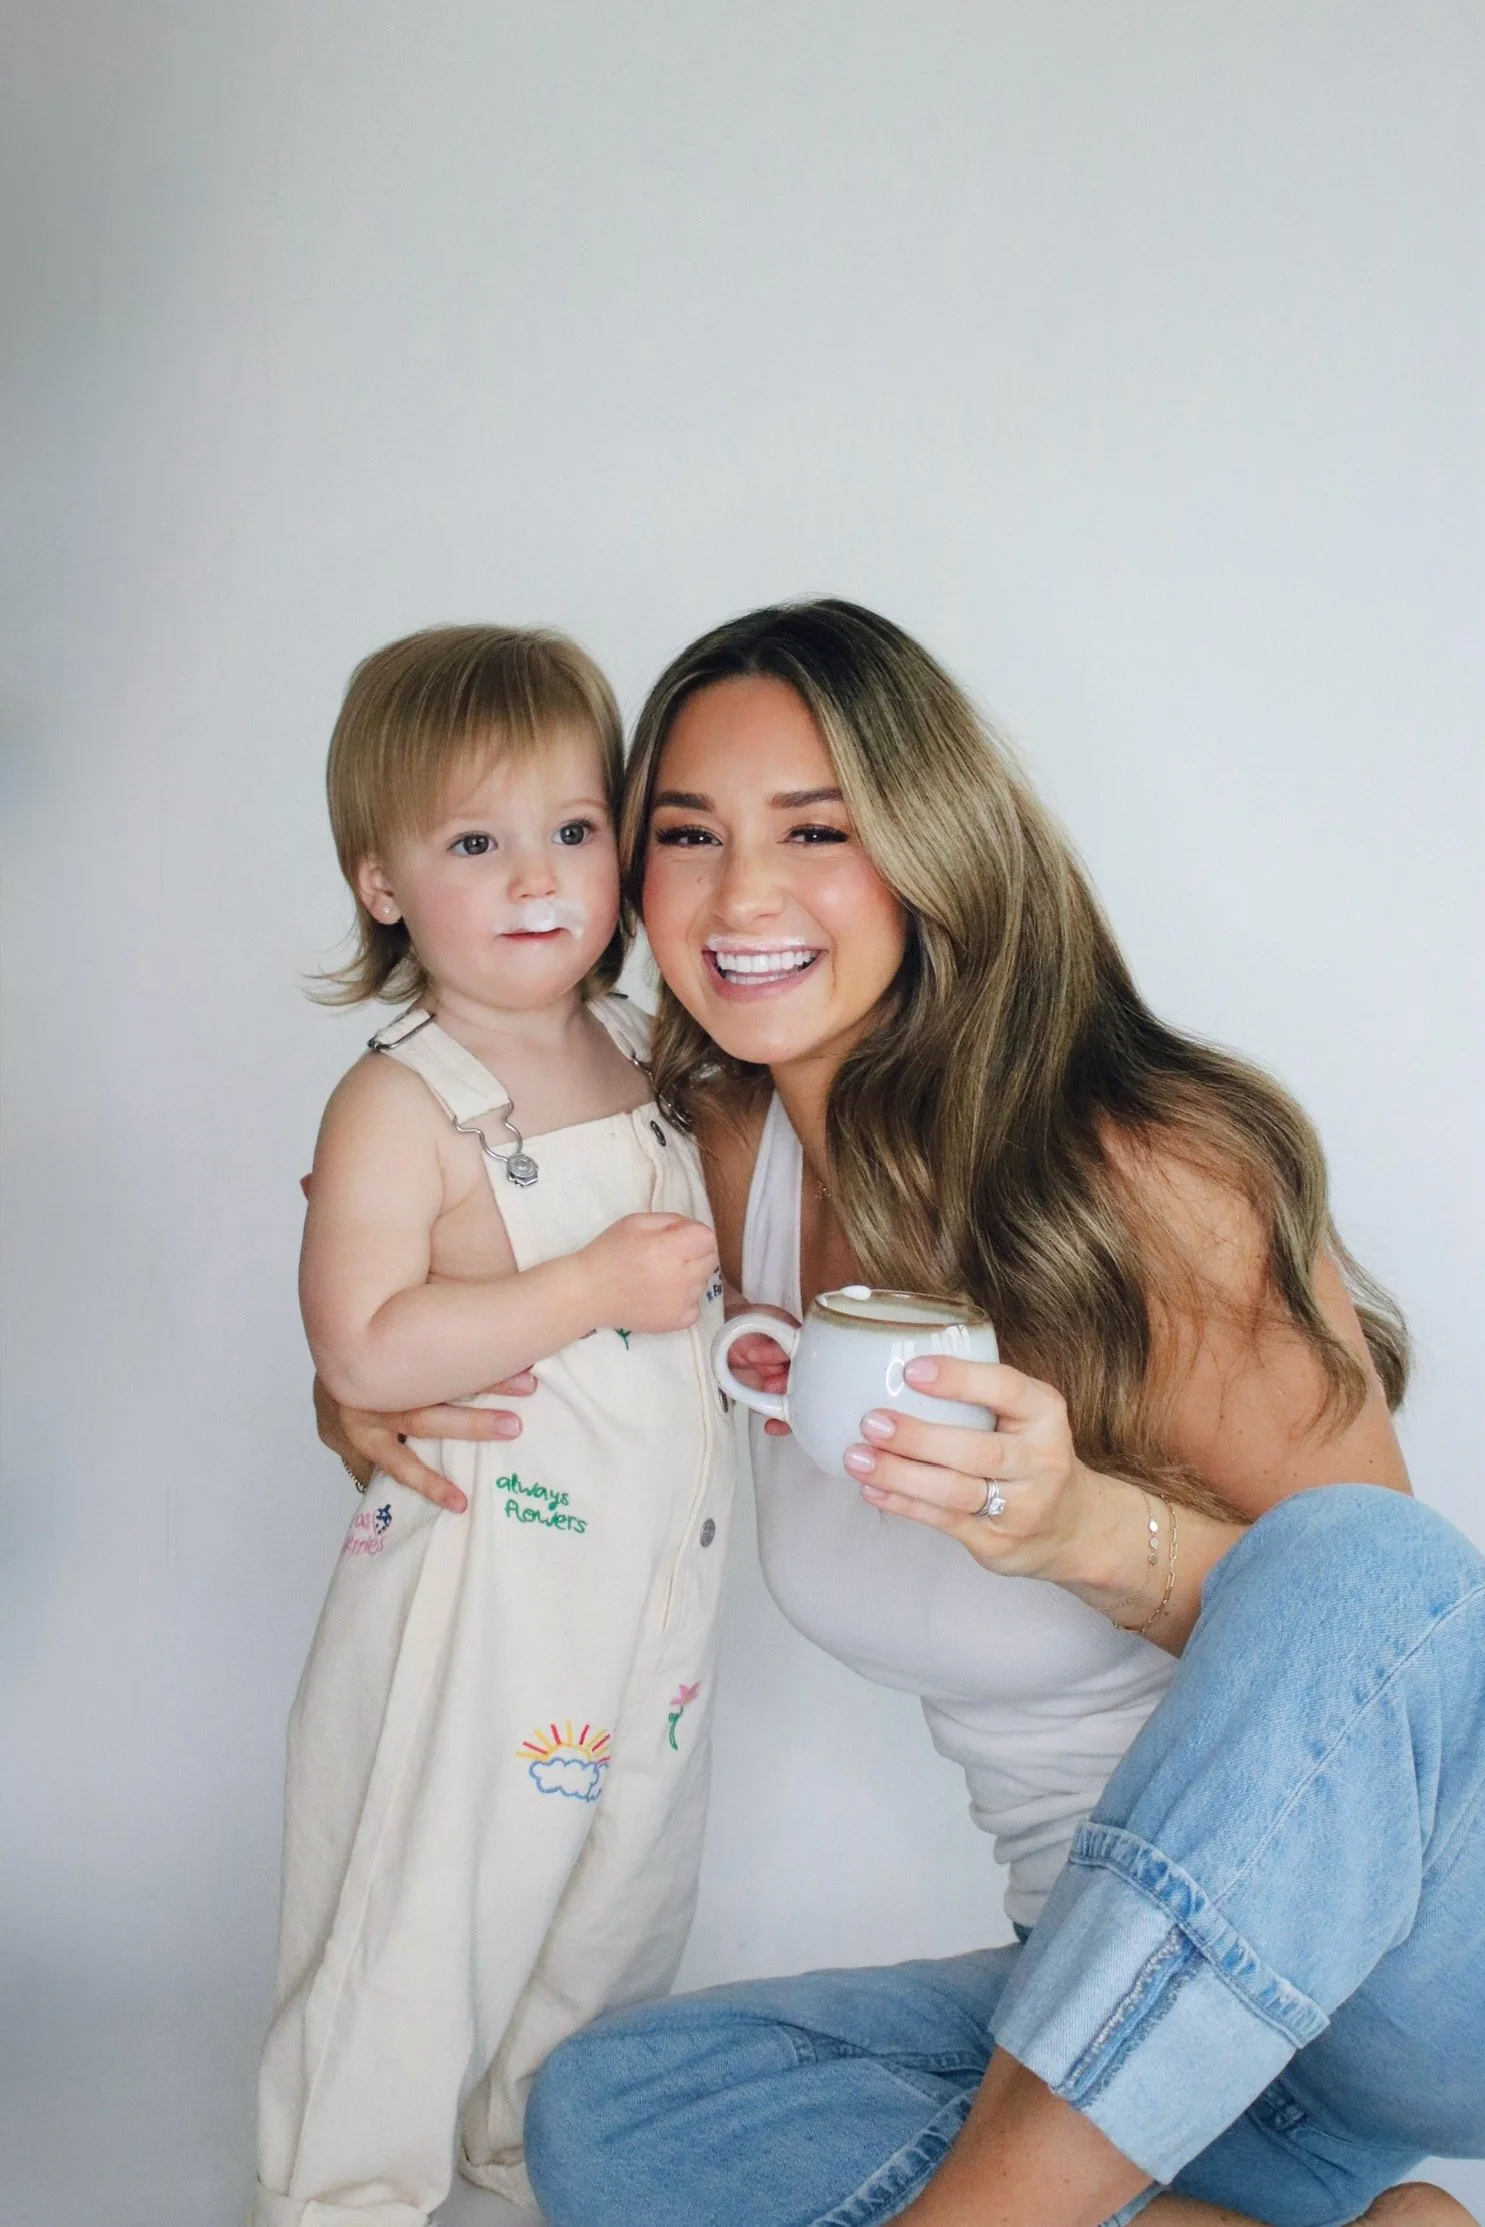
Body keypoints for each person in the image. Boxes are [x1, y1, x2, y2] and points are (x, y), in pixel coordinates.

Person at [320, 603, 1484, 2227]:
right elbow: (438, 1241)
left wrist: (1085, 1526)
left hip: (1405, 1981)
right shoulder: (709, 1168)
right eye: (687, 833)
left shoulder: (1150, 1170)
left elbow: (1393, 1661)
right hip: (1108, 2029)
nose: (743, 895)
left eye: (820, 829)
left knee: (1363, 1560)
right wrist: (362, 1381)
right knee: (610, 2112)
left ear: (930, 846)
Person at [251, 626, 731, 2227]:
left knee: (614, 1889)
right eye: (475, 841)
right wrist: (592, 1278)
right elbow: (366, 1337)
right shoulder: (404, 1099)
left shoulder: (647, 1058)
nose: (539, 878)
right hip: (478, 1591)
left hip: (649, 1585)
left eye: (574, 831)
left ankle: (534, 2152)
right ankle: (345, 2187)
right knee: (428, 1891)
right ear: (381, 880)